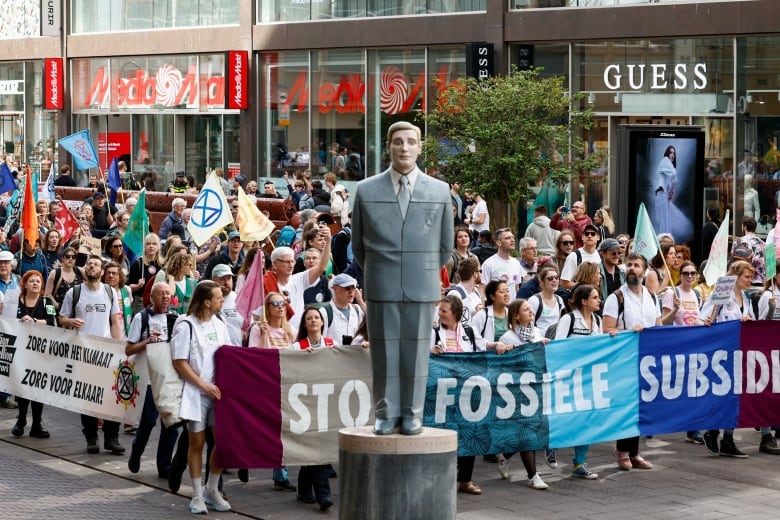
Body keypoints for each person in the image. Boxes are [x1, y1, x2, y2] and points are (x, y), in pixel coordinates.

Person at [351, 120, 453, 435]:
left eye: (411, 141)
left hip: (421, 285)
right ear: (389, 146)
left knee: (416, 353)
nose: (404, 147)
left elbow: (445, 246)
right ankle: (386, 413)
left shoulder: (440, 190)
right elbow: (358, 245)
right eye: (398, 142)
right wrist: (382, 269)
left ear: (420, 147)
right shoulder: (366, 189)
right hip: (381, 283)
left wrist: (419, 268)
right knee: (383, 352)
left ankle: (413, 414)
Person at [171, 280, 232, 514]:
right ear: (207, 302)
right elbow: (179, 362)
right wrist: (203, 385)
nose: (222, 300)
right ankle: (196, 495)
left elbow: (228, 356)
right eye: (218, 297)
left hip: (218, 394)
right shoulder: (185, 325)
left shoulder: (220, 324)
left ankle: (212, 489)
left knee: (223, 442)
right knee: (197, 443)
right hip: (195, 393)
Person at [59, 255, 124, 455]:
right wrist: (70, 322)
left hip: (106, 352)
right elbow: (62, 318)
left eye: (96, 264)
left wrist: (118, 347)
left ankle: (111, 437)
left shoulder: (110, 292)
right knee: (87, 395)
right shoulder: (75, 292)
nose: (92, 267)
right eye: (89, 264)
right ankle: (91, 437)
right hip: (84, 352)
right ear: (85, 269)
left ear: (102, 271)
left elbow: (114, 322)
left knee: (111, 396)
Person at [602, 252, 660, 470]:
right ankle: (622, 450)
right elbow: (607, 330)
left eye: (636, 265)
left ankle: (635, 452)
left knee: (641, 406)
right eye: (629, 265)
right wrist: (629, 333)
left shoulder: (652, 296)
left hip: (647, 360)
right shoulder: (616, 297)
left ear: (645, 271)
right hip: (624, 360)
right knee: (626, 406)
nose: (632, 269)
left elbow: (657, 326)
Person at [699, 260, 755, 459]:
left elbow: (751, 321)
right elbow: (705, 317)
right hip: (722, 353)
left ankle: (728, 438)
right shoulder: (721, 294)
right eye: (747, 277)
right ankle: (712, 430)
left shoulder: (746, 299)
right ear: (736, 276)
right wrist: (708, 321)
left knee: (735, 396)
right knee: (721, 393)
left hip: (739, 353)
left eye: (751, 277)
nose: (750, 281)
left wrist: (748, 322)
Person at [430, 295, 485, 494]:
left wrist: (499, 346)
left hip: (467, 392)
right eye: (440, 310)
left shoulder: (469, 331)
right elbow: (421, 354)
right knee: (442, 434)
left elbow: (483, 348)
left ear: (456, 313)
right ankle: (441, 478)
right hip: (441, 394)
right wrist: (431, 350)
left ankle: (465, 480)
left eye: (444, 311)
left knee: (468, 433)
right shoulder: (434, 332)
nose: (440, 314)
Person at [125, 282, 180, 478]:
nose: (165, 297)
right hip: (149, 380)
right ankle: (136, 451)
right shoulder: (142, 317)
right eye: (161, 294)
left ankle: (164, 466)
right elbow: (129, 349)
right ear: (152, 297)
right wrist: (148, 341)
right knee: (148, 422)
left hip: (170, 380)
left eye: (168, 294)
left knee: (171, 424)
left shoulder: (176, 318)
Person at [244, 291, 298, 491]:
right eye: (275, 303)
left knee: (281, 430)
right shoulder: (258, 330)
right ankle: (244, 457)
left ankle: (280, 474)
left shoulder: (290, 330)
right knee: (261, 430)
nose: (280, 307)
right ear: (267, 308)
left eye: (283, 303)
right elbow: (256, 357)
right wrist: (264, 335)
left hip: (284, 385)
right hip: (264, 386)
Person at [495, 298, 550, 489]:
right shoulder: (507, 338)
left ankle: (505, 456)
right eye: (526, 310)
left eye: (531, 309)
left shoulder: (537, 332)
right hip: (517, 392)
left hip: (536, 389)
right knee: (528, 432)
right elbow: (501, 367)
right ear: (516, 316)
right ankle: (533, 476)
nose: (531, 312)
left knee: (527, 432)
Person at [553, 284, 604, 479]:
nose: (598, 300)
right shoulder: (569, 319)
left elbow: (600, 347)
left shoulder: (597, 320)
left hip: (590, 379)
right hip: (569, 379)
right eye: (594, 297)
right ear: (584, 301)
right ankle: (552, 445)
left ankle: (579, 462)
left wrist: (611, 338)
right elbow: (558, 346)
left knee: (587, 420)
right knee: (566, 417)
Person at [289, 306, 335, 511]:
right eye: (309, 318)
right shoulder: (297, 347)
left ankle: (303, 488)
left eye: (317, 317)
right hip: (305, 404)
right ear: (304, 323)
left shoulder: (333, 345)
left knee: (314, 447)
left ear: (323, 322)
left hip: (326, 402)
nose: (314, 321)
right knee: (316, 447)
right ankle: (323, 495)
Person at [11, 270, 57, 439]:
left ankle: (37, 423)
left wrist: (36, 322)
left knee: (38, 386)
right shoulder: (16, 301)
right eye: (32, 281)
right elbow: (7, 319)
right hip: (20, 351)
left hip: (40, 352)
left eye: (38, 281)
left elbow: (53, 321)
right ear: (25, 284)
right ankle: (21, 419)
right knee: (21, 386)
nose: (35, 283)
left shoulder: (47, 301)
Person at [319, 273, 365, 344]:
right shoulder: (324, 312)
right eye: (347, 288)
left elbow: (373, 323)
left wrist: (361, 302)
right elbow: (320, 341)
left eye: (353, 288)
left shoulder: (357, 310)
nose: (351, 291)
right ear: (335, 289)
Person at [470, 280, 512, 353]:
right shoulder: (482, 315)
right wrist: (492, 345)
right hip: (488, 359)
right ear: (492, 296)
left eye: (507, 291)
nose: (506, 294)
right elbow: (472, 337)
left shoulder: (511, 314)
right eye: (502, 292)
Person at [481, 228, 525, 296]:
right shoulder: (488, 264)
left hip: (512, 306)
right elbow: (482, 288)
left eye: (513, 237)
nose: (512, 240)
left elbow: (516, 287)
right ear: (498, 242)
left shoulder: (516, 263)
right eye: (508, 238)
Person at [127, 233, 162, 312]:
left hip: (158, 301)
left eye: (154, 244)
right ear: (144, 246)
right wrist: (138, 286)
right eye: (148, 244)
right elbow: (129, 287)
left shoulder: (162, 265)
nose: (151, 246)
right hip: (141, 302)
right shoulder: (138, 263)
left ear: (158, 247)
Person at [210, 264, 243, 347]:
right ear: (213, 280)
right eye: (222, 279)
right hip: (213, 353)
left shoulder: (239, 299)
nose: (226, 283)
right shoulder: (207, 300)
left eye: (229, 278)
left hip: (235, 352)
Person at [560, 223, 601, 289]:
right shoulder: (574, 256)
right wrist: (584, 287)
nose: (589, 236)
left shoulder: (600, 256)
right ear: (582, 237)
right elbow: (563, 283)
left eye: (593, 234)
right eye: (586, 234)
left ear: (598, 237)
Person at [528, 265, 566, 334]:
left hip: (555, 340)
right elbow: (529, 326)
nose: (554, 280)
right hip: (540, 340)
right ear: (542, 282)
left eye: (556, 278)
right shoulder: (534, 300)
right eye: (550, 278)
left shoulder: (559, 300)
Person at [44, 246, 84, 310]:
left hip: (77, 311)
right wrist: (57, 306)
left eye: (73, 257)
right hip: (59, 312)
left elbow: (92, 280)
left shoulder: (80, 271)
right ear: (63, 258)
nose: (70, 259)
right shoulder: (55, 273)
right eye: (68, 256)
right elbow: (47, 294)